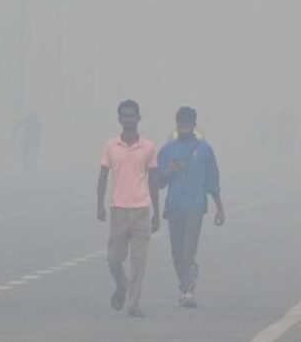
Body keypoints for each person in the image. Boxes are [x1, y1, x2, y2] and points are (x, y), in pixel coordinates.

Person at [96, 100, 160, 318]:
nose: (129, 119)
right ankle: (122, 284)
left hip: (141, 209)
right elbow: (103, 175)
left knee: (139, 261)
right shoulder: (111, 146)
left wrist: (156, 213)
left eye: (132, 115)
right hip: (118, 209)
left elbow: (153, 179)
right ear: (119, 119)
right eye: (125, 116)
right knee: (114, 258)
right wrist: (100, 205)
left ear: (139, 118)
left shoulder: (149, 147)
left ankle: (133, 303)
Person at [156, 106, 224, 308]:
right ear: (177, 126)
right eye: (181, 125)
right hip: (175, 206)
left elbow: (212, 181)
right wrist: (171, 170)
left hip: (195, 206)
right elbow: (158, 181)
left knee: (188, 250)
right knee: (176, 251)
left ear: (194, 125)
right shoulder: (167, 150)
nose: (184, 128)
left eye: (188, 124)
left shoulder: (204, 150)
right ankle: (183, 284)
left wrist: (219, 208)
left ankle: (189, 290)